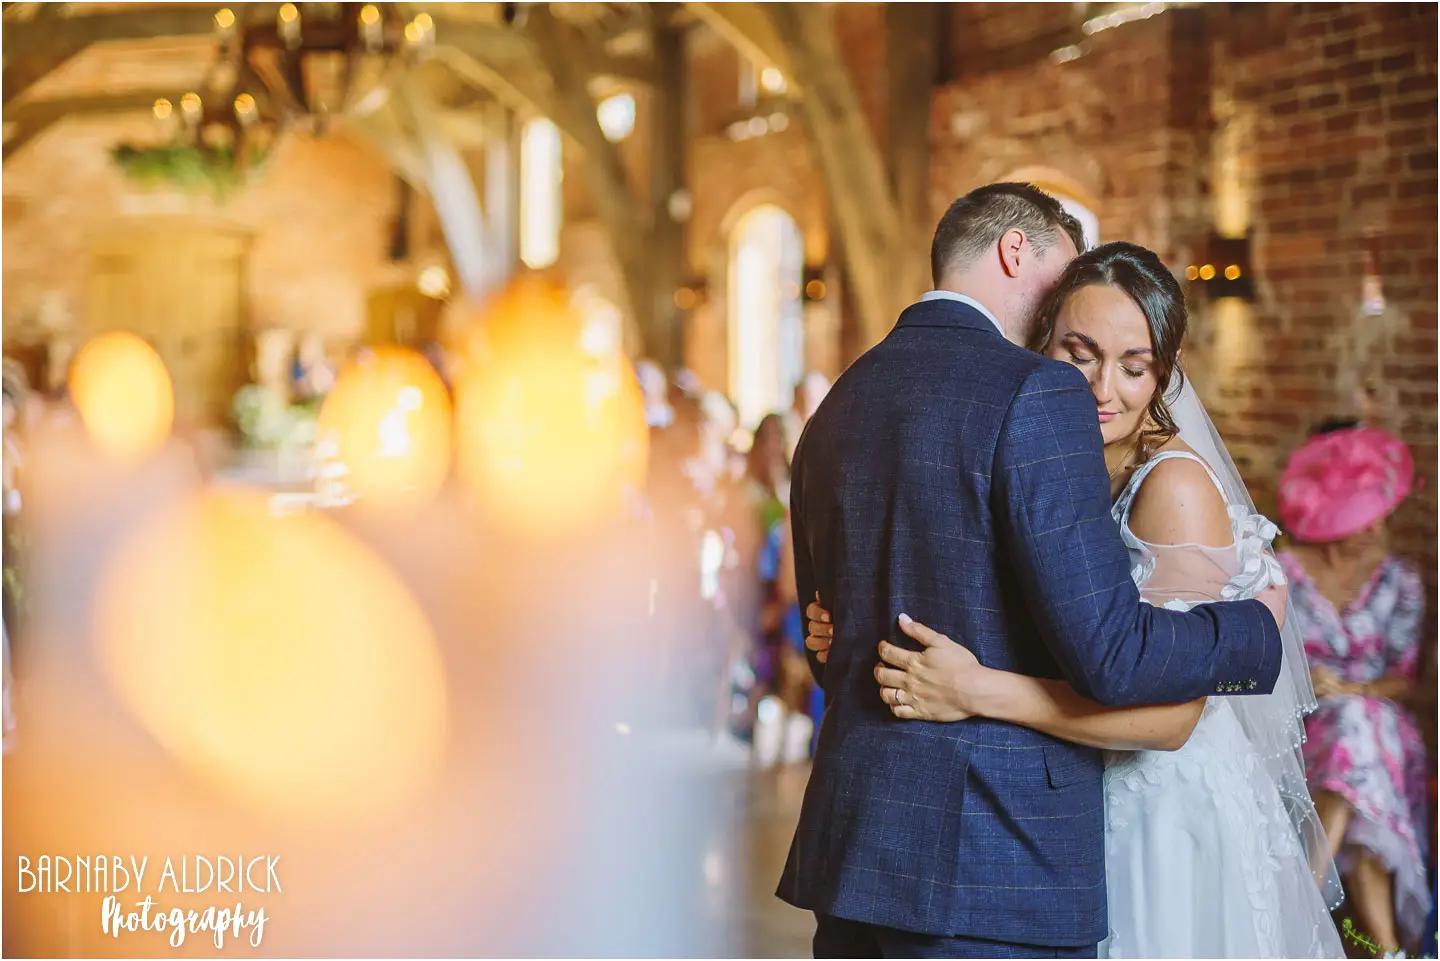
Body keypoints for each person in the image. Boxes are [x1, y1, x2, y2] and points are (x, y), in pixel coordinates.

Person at [778, 184, 1286, 959]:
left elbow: (832, 648)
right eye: (1074, 342)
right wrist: (1255, 628)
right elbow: (1111, 654)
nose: (1095, 380)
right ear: (1018, 253)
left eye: (1131, 365)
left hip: (855, 856)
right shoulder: (1032, 394)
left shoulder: (838, 403)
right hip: (994, 868)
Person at [1276, 424, 1430, 955]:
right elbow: (1262, 660)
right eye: (1360, 510)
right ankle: (1388, 949)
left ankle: (1303, 892)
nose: (1377, 524)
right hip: (1303, 720)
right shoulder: (1282, 574)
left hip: (1382, 726)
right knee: (1355, 748)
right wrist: (1306, 682)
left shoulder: (1400, 582)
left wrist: (1353, 686)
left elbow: (1402, 680)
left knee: (1361, 723)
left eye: (1379, 509)